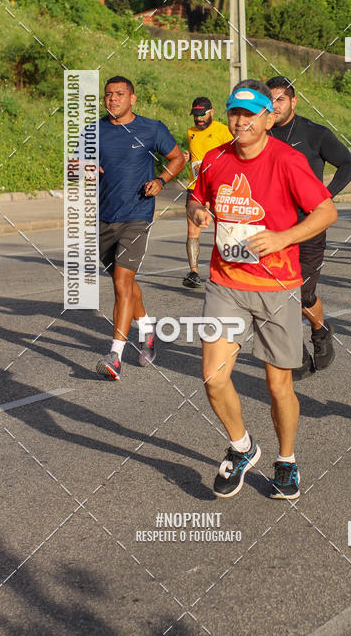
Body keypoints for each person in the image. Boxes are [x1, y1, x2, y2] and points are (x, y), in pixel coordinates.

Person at [188, 79, 337, 499]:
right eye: (234, 112)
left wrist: (284, 237)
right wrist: (198, 211)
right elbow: (195, 197)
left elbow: (327, 211)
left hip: (277, 286)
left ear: (268, 119)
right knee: (213, 378)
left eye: (250, 114)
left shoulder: (288, 160)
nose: (240, 121)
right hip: (226, 282)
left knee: (278, 387)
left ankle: (286, 460)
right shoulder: (215, 158)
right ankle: (242, 446)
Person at [266, 76, 351, 378]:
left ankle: (320, 330)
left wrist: (326, 196)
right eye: (270, 99)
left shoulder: (314, 134)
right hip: (273, 230)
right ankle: (298, 354)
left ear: (293, 101)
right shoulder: (259, 134)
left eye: (281, 99)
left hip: (309, 225)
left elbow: (348, 164)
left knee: (301, 294)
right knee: (280, 294)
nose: (275, 105)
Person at [96, 76, 186, 380]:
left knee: (121, 282)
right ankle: (148, 329)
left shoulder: (151, 129)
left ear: (132, 98)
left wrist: (161, 180)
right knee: (125, 283)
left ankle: (114, 356)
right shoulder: (94, 130)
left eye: (119, 94)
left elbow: (178, 157)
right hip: (104, 217)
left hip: (137, 214)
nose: (113, 99)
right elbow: (73, 166)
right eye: (108, 95)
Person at [182, 96, 232, 288]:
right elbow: (194, 154)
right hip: (195, 187)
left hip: (220, 187)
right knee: (192, 229)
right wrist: (186, 157)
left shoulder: (223, 130)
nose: (198, 119)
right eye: (195, 115)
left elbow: (234, 152)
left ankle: (227, 270)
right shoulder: (191, 132)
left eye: (202, 115)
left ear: (212, 112)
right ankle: (193, 272)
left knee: (225, 229)